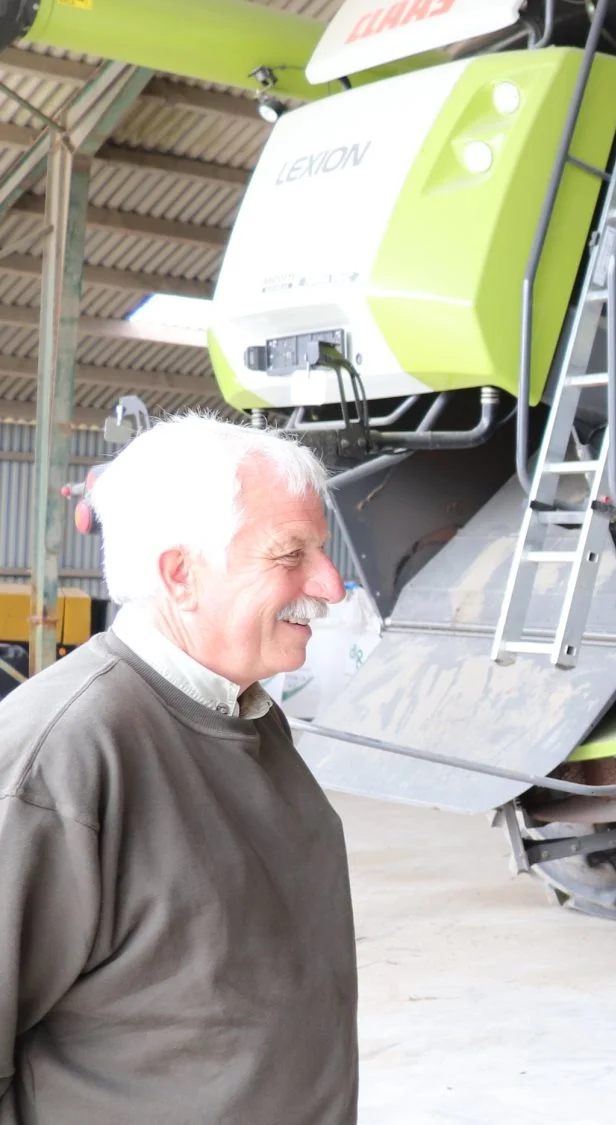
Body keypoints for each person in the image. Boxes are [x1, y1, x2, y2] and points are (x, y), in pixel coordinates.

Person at [0, 415, 356, 1124]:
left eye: (322, 549)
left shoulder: (250, 714)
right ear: (181, 574)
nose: (332, 584)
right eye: (292, 553)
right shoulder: (59, 757)